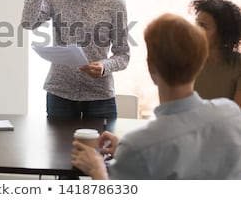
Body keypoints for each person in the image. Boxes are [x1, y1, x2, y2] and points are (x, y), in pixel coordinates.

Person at [71, 13, 241, 179]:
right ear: (199, 64)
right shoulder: (231, 113)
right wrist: (129, 151)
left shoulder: (138, 146)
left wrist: (97, 169)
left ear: (151, 67)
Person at [21, 0, 130, 120]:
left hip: (99, 96)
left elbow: (123, 55)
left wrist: (104, 66)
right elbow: (28, 22)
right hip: (60, 94)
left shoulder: (114, 2)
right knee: (59, 150)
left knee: (98, 149)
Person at [189, 0, 241, 107]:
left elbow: (237, 115)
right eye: (196, 23)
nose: (195, 29)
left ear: (223, 33)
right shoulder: (186, 61)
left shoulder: (238, 65)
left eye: (203, 26)